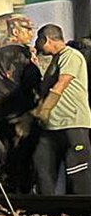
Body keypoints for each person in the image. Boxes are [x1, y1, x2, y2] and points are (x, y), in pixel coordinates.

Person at [0, 14, 42, 193]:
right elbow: (33, 83)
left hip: (0, 114)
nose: (31, 34)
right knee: (25, 159)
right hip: (23, 115)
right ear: (15, 31)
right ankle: (24, 194)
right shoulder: (25, 54)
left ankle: (7, 193)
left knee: (4, 157)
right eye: (28, 30)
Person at [32, 25, 91, 195]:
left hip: (72, 123)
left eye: (38, 41)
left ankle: (82, 208)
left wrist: (44, 109)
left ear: (46, 39)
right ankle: (48, 207)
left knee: (77, 173)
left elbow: (62, 83)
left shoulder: (71, 56)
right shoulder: (55, 60)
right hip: (51, 125)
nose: (36, 45)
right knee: (42, 168)